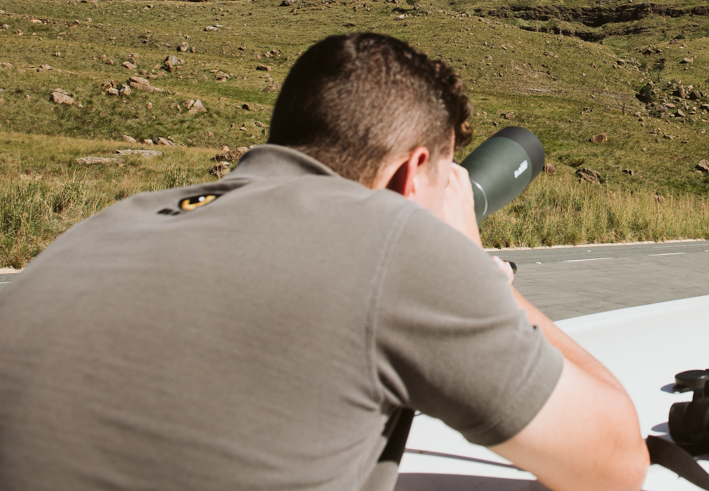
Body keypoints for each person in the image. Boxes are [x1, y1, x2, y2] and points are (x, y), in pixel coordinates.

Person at [0, 33, 648, 491]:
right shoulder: (398, 242)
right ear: (414, 171)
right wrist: (469, 260)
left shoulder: (112, 221)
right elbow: (615, 462)